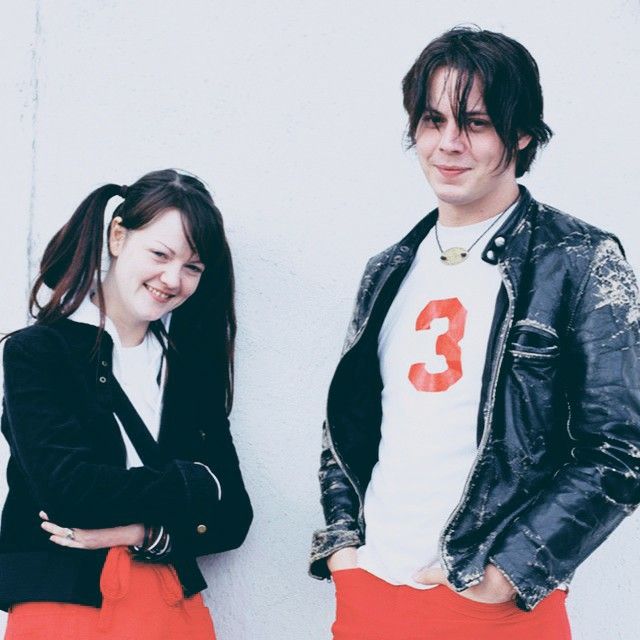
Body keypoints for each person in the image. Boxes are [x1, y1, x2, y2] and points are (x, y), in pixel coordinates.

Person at [309, 26, 640, 640]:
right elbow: (346, 430)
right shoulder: (387, 270)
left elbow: (621, 449)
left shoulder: (579, 260)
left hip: (492, 608)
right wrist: (344, 552)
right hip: (371, 596)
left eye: (476, 123)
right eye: (433, 121)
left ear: (521, 134)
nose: (448, 144)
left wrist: (507, 574)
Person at [0, 169, 253, 639]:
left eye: (193, 267)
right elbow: (69, 494)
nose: (172, 279)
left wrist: (138, 533)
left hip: (169, 603)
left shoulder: (190, 372)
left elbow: (234, 517)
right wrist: (194, 483)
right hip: (62, 605)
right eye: (160, 253)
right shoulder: (37, 353)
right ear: (118, 236)